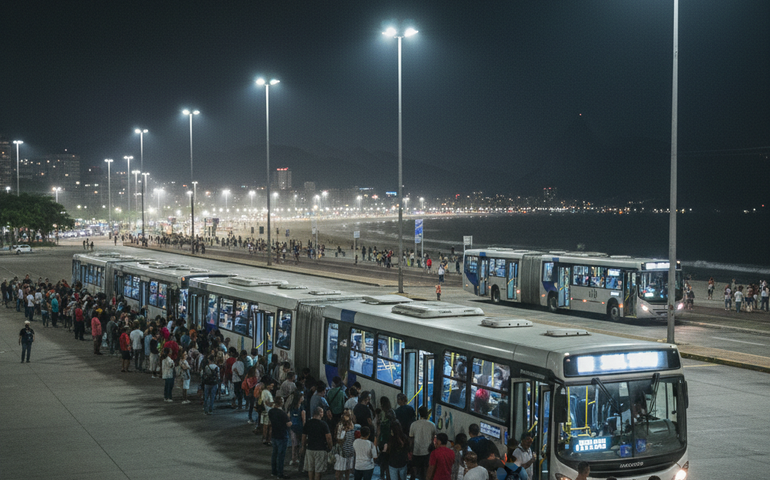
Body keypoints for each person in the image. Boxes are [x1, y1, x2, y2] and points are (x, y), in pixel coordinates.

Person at [302, 406, 333, 480]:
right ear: (320, 413)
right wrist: (330, 447)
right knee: (318, 470)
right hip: (320, 449)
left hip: (310, 448)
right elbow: (328, 437)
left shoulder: (308, 423)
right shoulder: (323, 424)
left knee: (310, 468)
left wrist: (303, 446)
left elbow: (303, 436)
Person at [410, 406, 437, 480]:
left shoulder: (414, 424)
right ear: (427, 414)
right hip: (427, 452)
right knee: (425, 471)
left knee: (414, 471)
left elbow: (411, 439)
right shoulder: (432, 425)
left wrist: (410, 451)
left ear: (419, 414)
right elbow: (434, 439)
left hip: (416, 451)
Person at [269, 396, 292, 479]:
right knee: (281, 456)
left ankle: (273, 471)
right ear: (281, 402)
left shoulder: (271, 411)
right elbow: (289, 424)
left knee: (274, 454)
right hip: (282, 435)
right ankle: (280, 473)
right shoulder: (282, 413)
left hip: (274, 434)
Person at [334, 409, 356, 480]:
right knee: (339, 470)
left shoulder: (352, 425)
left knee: (347, 470)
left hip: (350, 451)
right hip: (341, 452)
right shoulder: (340, 425)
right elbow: (338, 439)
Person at [288, 390, 307, 467]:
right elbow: (304, 421)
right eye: (302, 397)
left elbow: (288, 417)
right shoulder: (301, 409)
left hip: (293, 428)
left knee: (295, 444)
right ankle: (298, 459)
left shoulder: (291, 407)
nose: (303, 398)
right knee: (299, 444)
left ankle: (294, 459)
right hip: (298, 429)